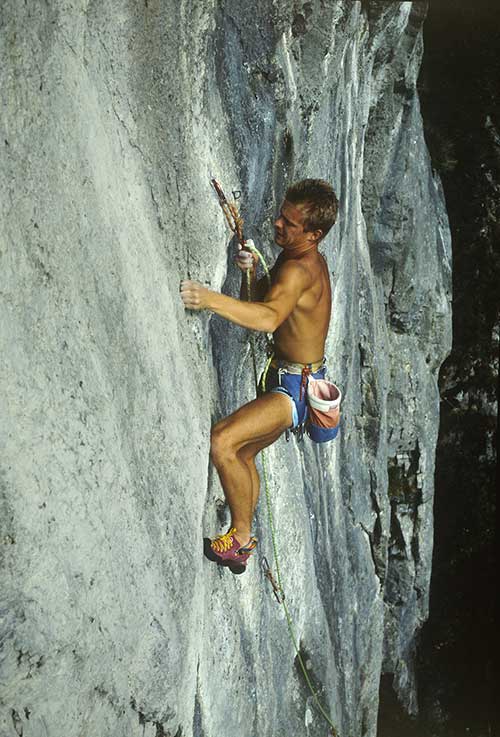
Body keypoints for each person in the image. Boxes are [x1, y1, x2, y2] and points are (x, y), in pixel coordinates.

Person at [180, 179, 339, 574]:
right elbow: (271, 305)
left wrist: (209, 299)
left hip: (293, 391)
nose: (278, 223)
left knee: (223, 441)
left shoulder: (299, 269)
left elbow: (268, 319)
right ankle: (243, 536)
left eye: (290, 222)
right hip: (296, 381)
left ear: (314, 233)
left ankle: (240, 538)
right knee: (244, 453)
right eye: (281, 214)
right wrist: (251, 273)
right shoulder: (299, 259)